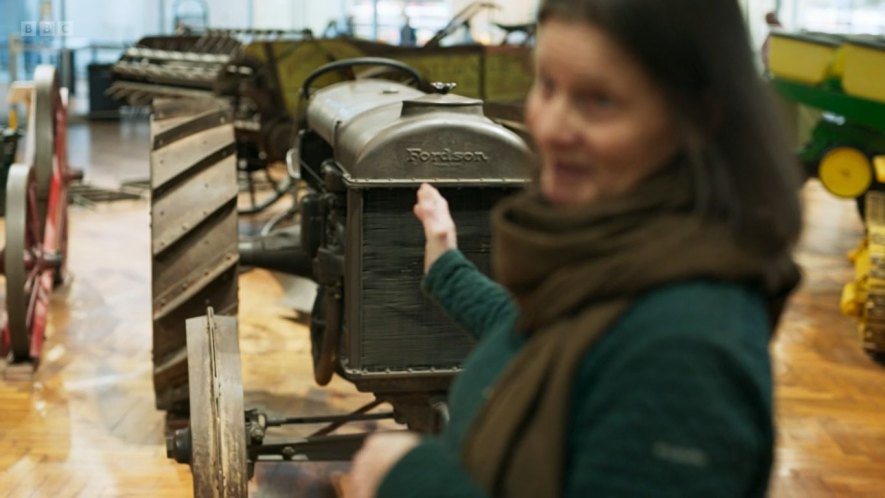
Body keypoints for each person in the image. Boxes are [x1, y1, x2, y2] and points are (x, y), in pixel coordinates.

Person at [349, 0, 803, 496]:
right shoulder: (628, 240)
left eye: (599, 101)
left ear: (697, 116)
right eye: (547, 85)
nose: (550, 126)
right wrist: (446, 265)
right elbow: (551, 334)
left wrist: (408, 477)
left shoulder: (685, 352)